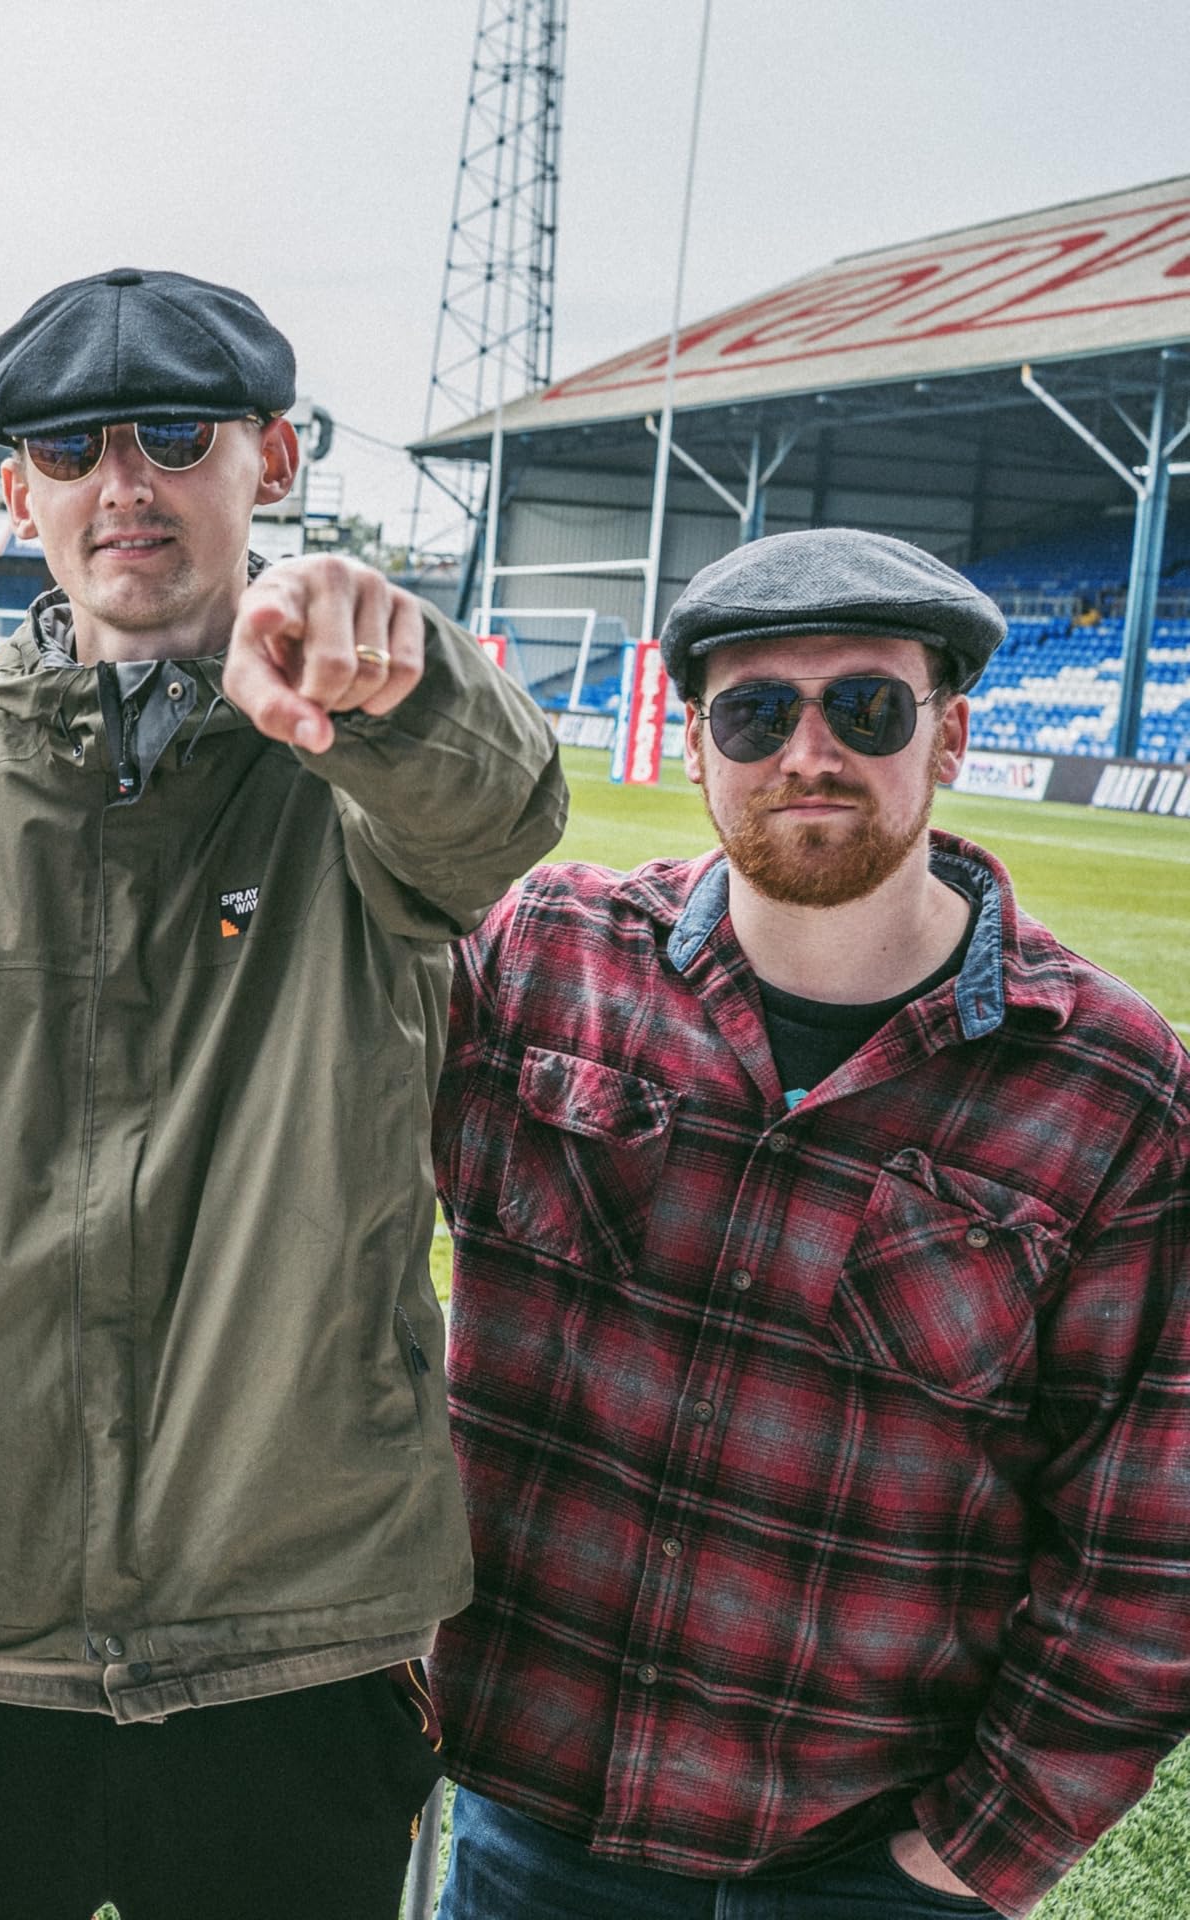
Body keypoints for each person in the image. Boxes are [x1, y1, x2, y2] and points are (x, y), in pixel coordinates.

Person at [0, 268, 568, 1920]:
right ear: (16, 489)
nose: (125, 484)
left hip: (290, 1648)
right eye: (71, 446)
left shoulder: (359, 761)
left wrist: (397, 671)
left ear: (273, 462)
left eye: (174, 434)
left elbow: (498, 815)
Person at [431, 529, 1190, 1919]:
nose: (810, 753)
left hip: (866, 1855)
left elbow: (1152, 1539)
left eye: (868, 707)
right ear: (705, 744)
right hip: (531, 1815)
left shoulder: (1114, 1088)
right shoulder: (547, 958)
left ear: (949, 734)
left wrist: (980, 1851)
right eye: (759, 712)